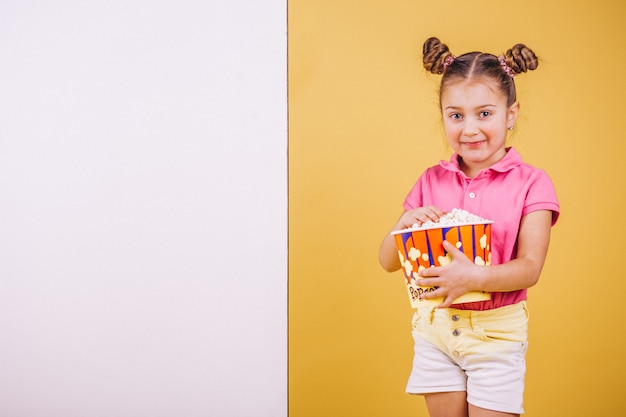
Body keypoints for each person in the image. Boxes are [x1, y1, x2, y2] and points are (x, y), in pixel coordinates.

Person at [378, 37, 560, 417]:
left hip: (496, 334)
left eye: (485, 113)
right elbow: (388, 262)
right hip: (436, 329)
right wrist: (401, 227)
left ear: (511, 114)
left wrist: (472, 277)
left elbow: (531, 268)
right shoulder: (430, 180)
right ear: (442, 115)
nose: (470, 129)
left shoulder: (532, 183)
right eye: (456, 115)